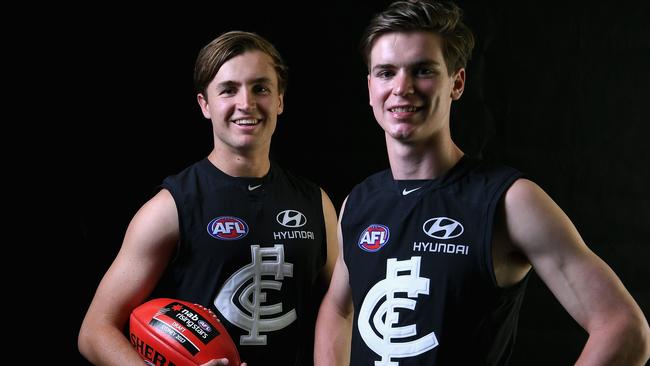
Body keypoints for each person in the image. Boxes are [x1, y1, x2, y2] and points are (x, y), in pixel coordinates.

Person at [314, 1, 650, 365]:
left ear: (456, 82)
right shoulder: (359, 203)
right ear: (369, 88)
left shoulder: (509, 201)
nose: (401, 87)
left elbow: (624, 328)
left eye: (422, 70)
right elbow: (338, 308)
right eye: (385, 73)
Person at [78, 30, 338, 366]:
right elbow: (95, 330)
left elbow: (341, 311)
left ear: (280, 100)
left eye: (260, 88)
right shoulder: (171, 208)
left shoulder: (316, 204)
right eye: (228, 90)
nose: (246, 103)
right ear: (205, 104)